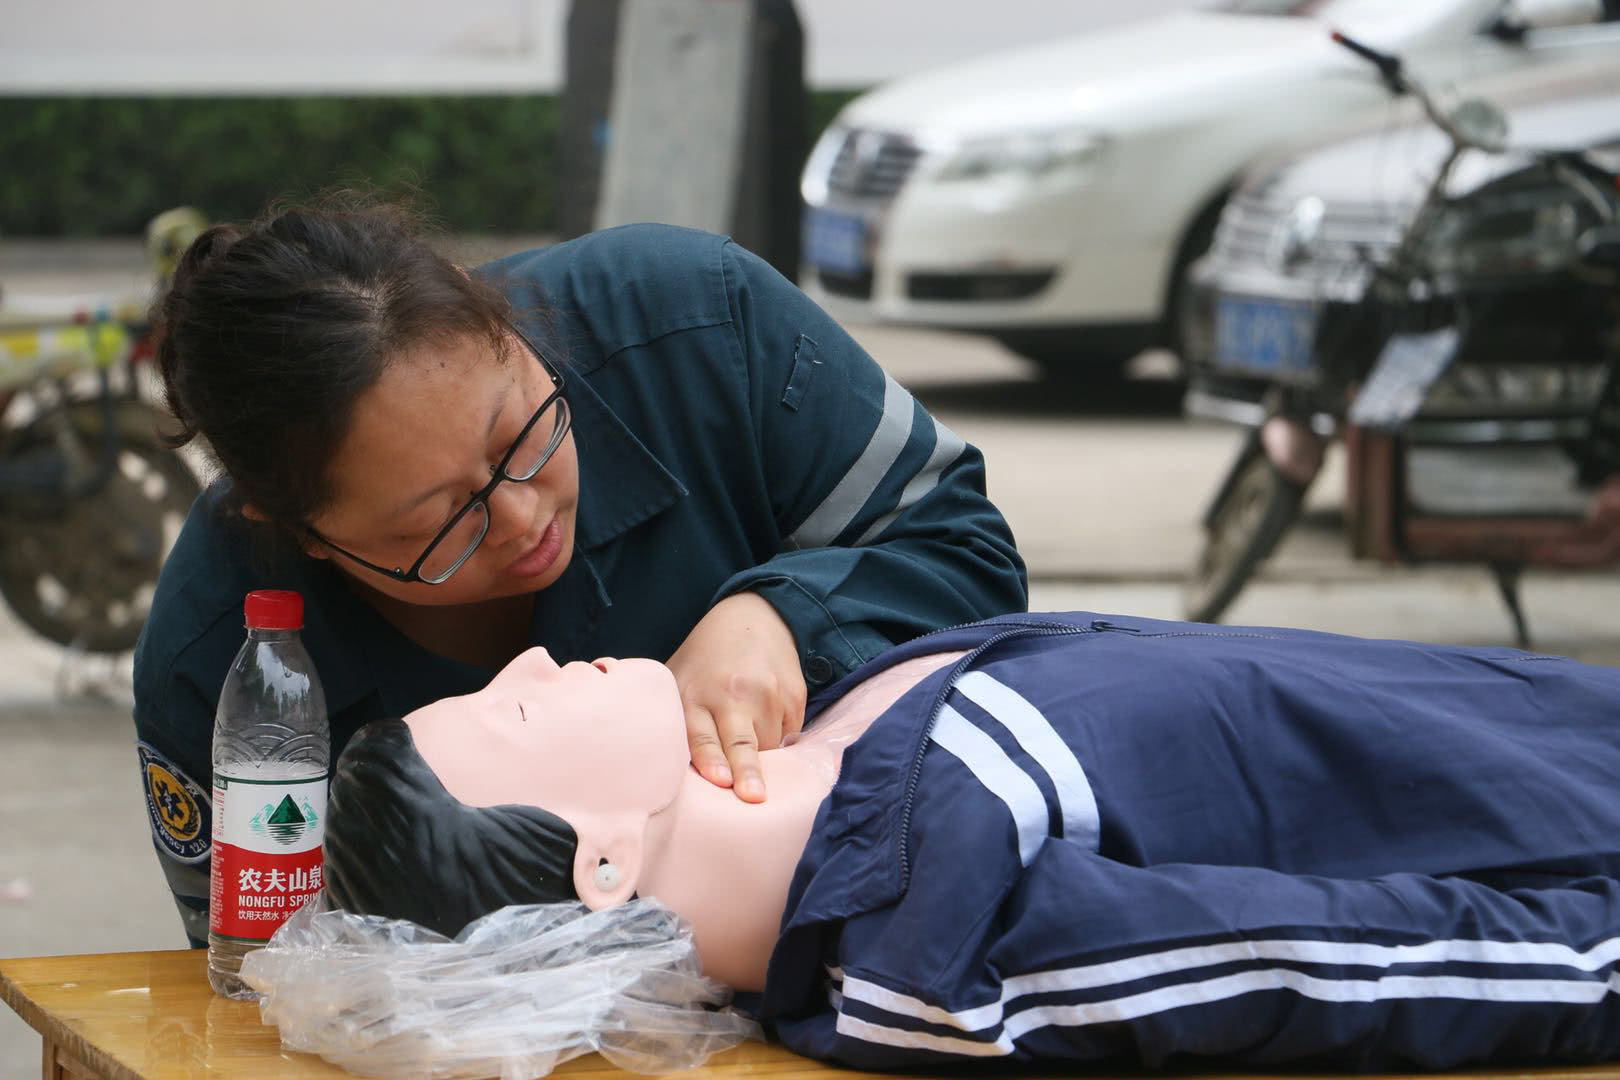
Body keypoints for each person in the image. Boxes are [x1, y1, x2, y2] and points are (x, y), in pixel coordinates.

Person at [131, 194, 1028, 947]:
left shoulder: (698, 326)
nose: (524, 520)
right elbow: (269, 977)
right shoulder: (215, 671)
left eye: (520, 435)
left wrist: (784, 613)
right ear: (300, 533)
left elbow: (967, 550)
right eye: (442, 520)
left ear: (504, 322)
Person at [323, 610, 1620, 1073]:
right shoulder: (941, 939)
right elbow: (1378, 969)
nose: (536, 656)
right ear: (600, 861)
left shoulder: (824, 726)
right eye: (517, 706)